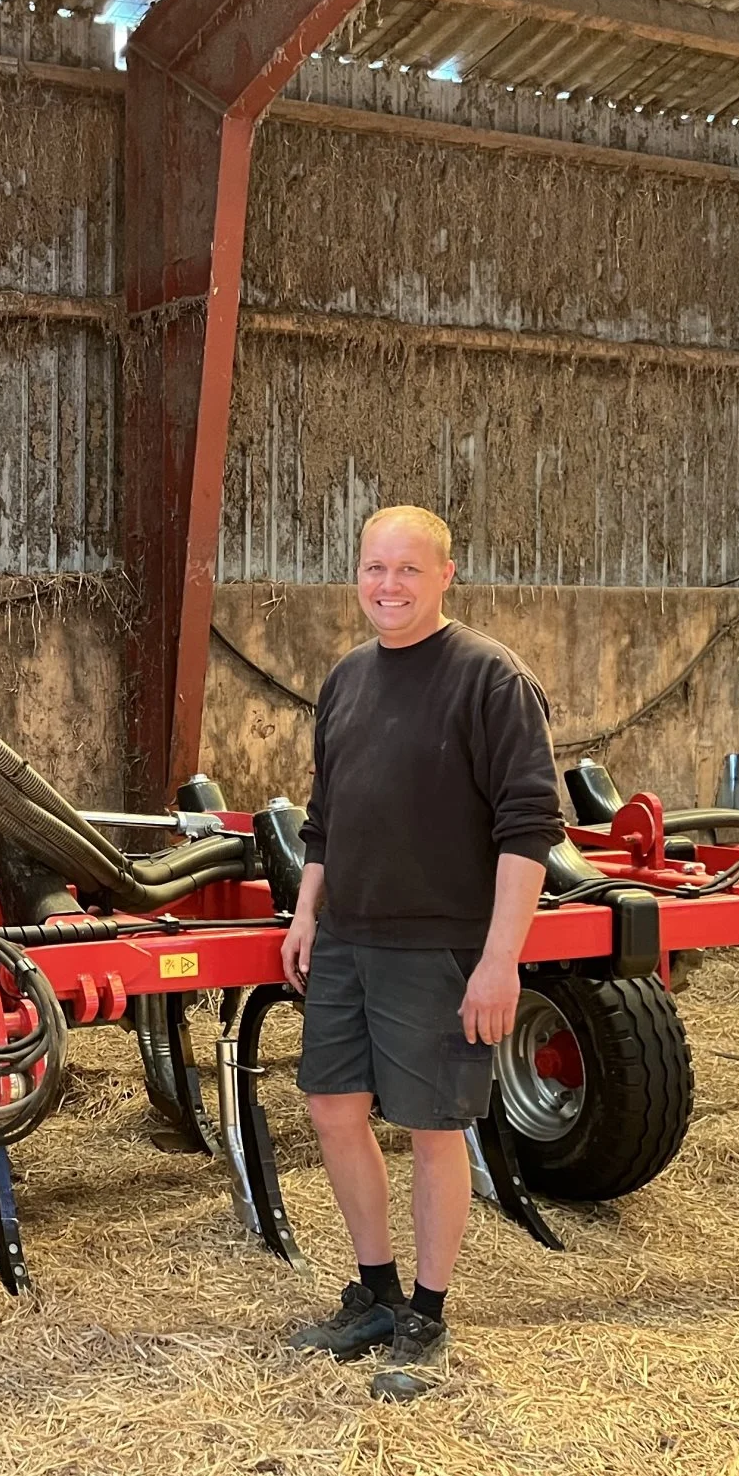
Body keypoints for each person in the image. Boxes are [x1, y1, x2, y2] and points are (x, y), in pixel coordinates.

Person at [280, 504, 563, 1401]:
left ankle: (428, 1318)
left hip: (437, 946)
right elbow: (326, 819)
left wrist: (499, 960)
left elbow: (530, 830)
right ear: (356, 577)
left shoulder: (490, 680)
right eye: (374, 568)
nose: (388, 586)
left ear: (446, 575)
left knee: (434, 1127)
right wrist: (304, 914)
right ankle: (374, 1291)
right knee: (332, 1109)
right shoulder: (347, 681)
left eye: (408, 570)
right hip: (348, 938)